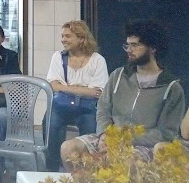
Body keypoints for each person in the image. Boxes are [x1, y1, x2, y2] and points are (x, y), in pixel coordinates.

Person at [62, 20, 185, 166]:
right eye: (127, 45)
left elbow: (165, 133)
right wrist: (103, 135)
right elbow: (103, 109)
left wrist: (123, 138)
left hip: (143, 146)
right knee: (69, 148)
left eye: (135, 45)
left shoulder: (171, 88)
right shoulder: (118, 75)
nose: (129, 50)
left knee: (121, 160)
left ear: (152, 48)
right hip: (109, 137)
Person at [43, 20, 109, 170]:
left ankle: (87, 170)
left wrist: (65, 87)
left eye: (67, 36)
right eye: (62, 36)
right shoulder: (58, 57)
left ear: (81, 38)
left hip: (87, 108)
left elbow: (97, 92)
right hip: (61, 106)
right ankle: (52, 167)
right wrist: (83, 89)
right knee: (50, 125)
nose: (63, 40)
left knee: (90, 134)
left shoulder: (98, 60)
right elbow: (53, 86)